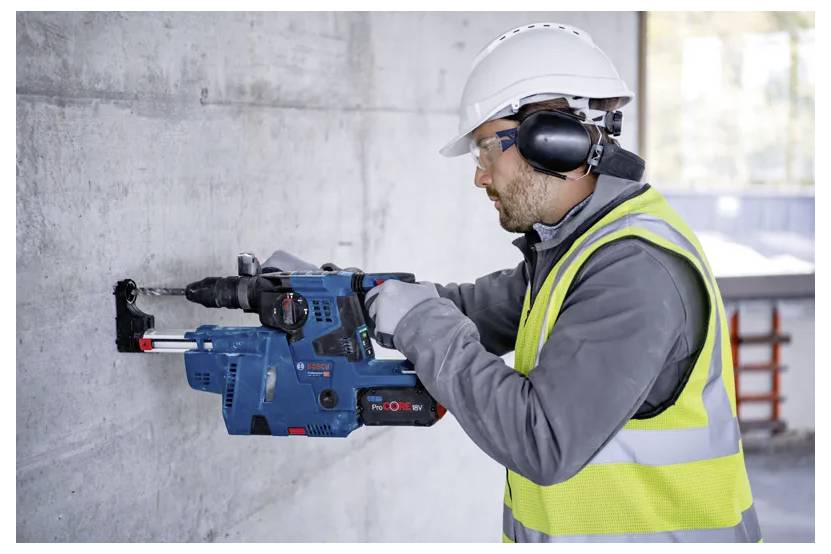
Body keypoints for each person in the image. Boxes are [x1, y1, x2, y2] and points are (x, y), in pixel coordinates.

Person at [363, 22, 761, 542]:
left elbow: (543, 440)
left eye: (486, 151)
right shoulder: (574, 250)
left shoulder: (633, 272)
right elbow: (467, 309)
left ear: (550, 141)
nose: (480, 177)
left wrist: (420, 323)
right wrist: (346, 293)